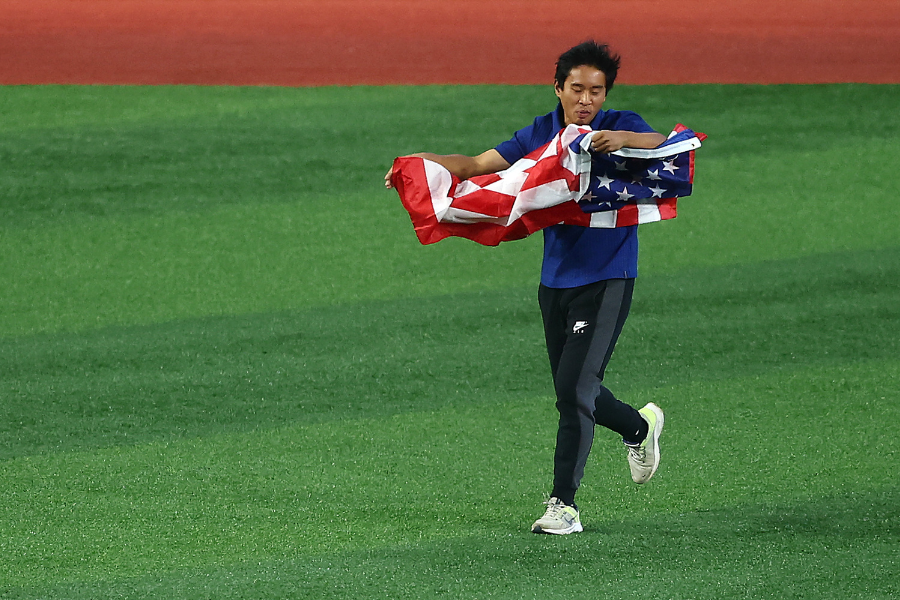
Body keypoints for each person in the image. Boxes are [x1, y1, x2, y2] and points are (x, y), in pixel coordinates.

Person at [385, 40, 666, 535]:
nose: (586, 100)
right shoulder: (542, 132)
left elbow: (663, 145)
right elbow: (474, 166)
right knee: (575, 389)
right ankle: (638, 427)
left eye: (595, 91)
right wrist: (416, 166)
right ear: (557, 88)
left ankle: (564, 505)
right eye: (576, 89)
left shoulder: (622, 124)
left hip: (608, 279)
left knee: (572, 391)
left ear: (607, 95)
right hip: (555, 281)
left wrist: (618, 137)